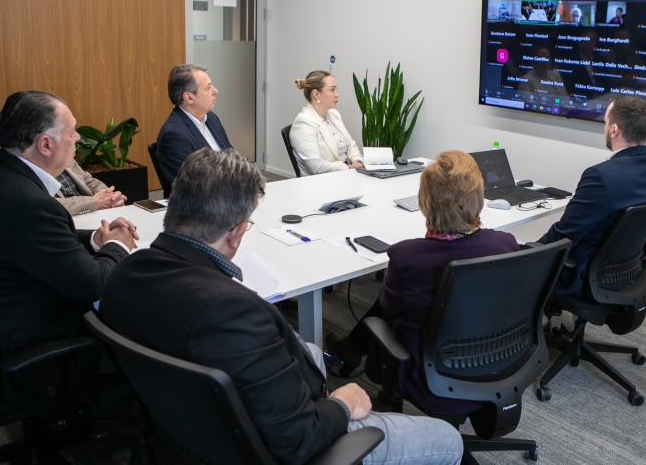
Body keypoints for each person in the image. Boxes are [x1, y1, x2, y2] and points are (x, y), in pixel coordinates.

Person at [100, 149, 463, 465]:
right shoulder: (235, 312)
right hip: (274, 446)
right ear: (237, 232)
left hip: (181, 432)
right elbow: (298, 438)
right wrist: (343, 404)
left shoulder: (121, 274)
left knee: (310, 353)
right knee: (448, 441)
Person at [0, 90, 139, 419]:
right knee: (142, 333)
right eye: (71, 131)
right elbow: (93, 285)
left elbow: (31, 240)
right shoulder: (30, 204)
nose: (77, 138)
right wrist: (117, 246)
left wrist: (94, 238)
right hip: (30, 343)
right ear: (46, 145)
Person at [326, 150, 520, 415]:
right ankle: (352, 347)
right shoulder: (505, 244)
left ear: (424, 202)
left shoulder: (408, 257)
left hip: (430, 373)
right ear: (479, 197)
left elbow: (389, 311)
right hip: (496, 360)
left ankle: (353, 348)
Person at [537, 95, 646, 295]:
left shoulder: (601, 176)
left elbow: (563, 236)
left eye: (606, 122)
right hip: (627, 271)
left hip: (581, 275)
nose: (605, 128)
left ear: (614, 129)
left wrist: (528, 255)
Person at [0, 145, 126, 216]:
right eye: (70, 132)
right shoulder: (6, 163)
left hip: (92, 215)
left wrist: (110, 197)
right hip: (64, 222)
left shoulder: (58, 147)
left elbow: (88, 180)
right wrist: (95, 202)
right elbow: (42, 205)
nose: (76, 138)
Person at [156, 64, 232, 187]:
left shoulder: (211, 118)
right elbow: (189, 186)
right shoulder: (173, 135)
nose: (215, 90)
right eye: (208, 88)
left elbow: (231, 156)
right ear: (189, 98)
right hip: (204, 201)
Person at [289, 70, 364, 175]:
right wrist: (349, 168)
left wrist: (357, 161)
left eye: (336, 89)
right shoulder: (303, 123)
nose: (337, 95)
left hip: (347, 174)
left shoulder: (333, 114)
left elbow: (351, 145)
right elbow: (316, 167)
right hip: (323, 183)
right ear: (316, 94)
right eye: (332, 90)